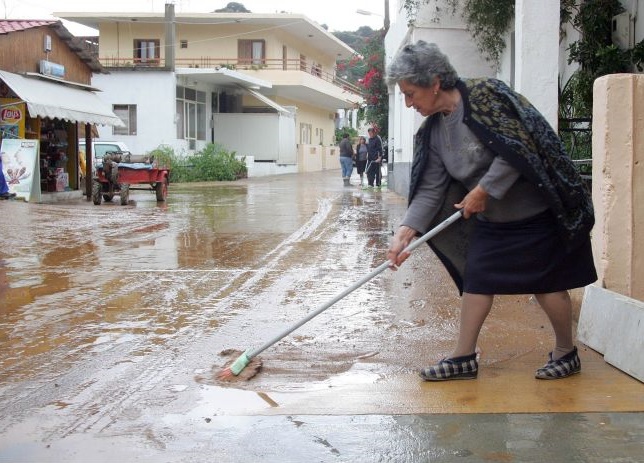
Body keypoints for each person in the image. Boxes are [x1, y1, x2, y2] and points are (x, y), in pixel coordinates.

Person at [385, 40, 597, 381]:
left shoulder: (485, 95)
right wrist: (405, 234)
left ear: (434, 82)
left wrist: (483, 189)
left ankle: (565, 352)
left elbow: (519, 145)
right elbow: (430, 189)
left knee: (548, 285)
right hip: (493, 221)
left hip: (536, 214)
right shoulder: (434, 133)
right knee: (477, 282)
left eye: (411, 94)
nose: (409, 103)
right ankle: (463, 357)